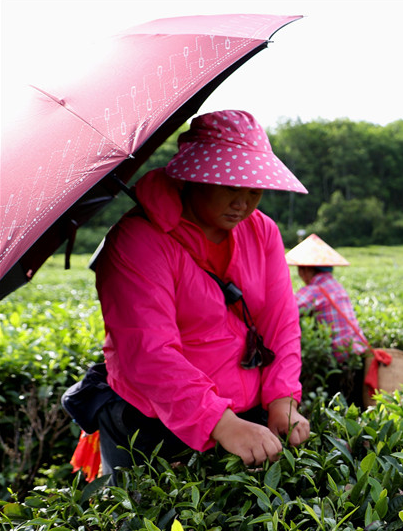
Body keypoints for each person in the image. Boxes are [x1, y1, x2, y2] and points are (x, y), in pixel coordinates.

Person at [87, 109, 311, 481]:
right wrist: (221, 424)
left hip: (244, 418)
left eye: (254, 188)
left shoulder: (262, 231)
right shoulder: (138, 241)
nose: (243, 202)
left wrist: (282, 399)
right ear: (192, 177)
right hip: (152, 422)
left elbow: (280, 322)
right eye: (229, 186)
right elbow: (149, 352)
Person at [285, 234, 369, 361]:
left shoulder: (314, 291)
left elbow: (285, 312)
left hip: (339, 357)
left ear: (306, 270)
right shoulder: (336, 286)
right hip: (358, 352)